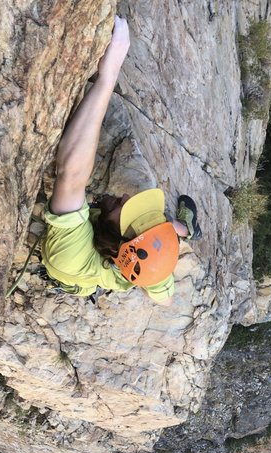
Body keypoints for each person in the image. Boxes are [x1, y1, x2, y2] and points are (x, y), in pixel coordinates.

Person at [41, 16, 201, 306]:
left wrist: (108, 76)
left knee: (147, 197)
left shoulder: (70, 256)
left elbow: (71, 176)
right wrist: (174, 230)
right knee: (161, 225)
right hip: (135, 252)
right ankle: (186, 230)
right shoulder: (147, 268)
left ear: (117, 245)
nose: (126, 197)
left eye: (127, 216)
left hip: (72, 271)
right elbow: (163, 296)